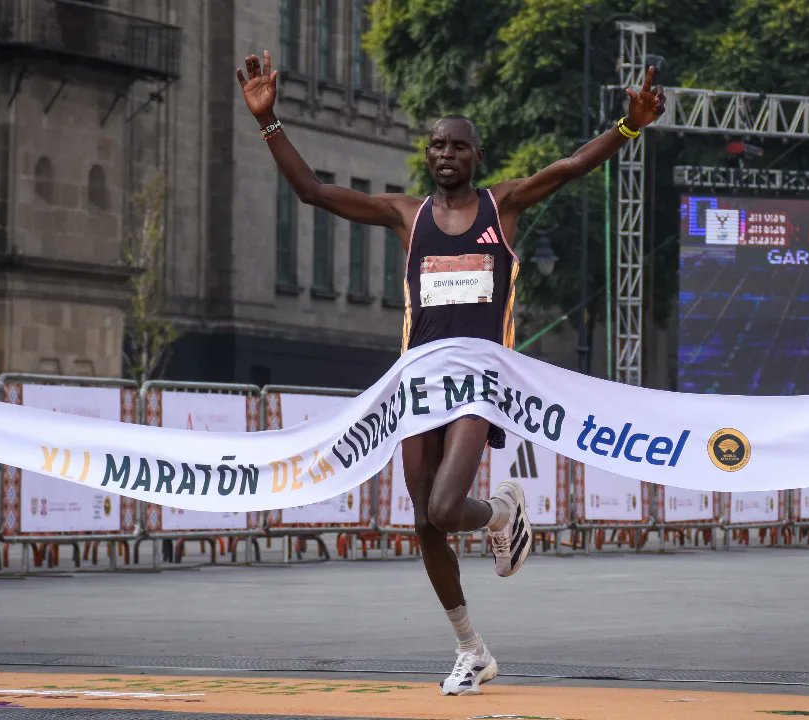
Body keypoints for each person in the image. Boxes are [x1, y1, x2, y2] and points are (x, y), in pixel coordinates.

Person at [237, 50, 665, 695]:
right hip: (418, 384)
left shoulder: (504, 207)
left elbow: (573, 166)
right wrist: (270, 122)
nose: (445, 154)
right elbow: (314, 192)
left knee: (443, 505)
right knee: (423, 520)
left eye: (457, 146)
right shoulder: (406, 216)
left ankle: (495, 512)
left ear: (476, 157)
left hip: (477, 386)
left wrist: (629, 127)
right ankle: (472, 646)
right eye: (436, 145)